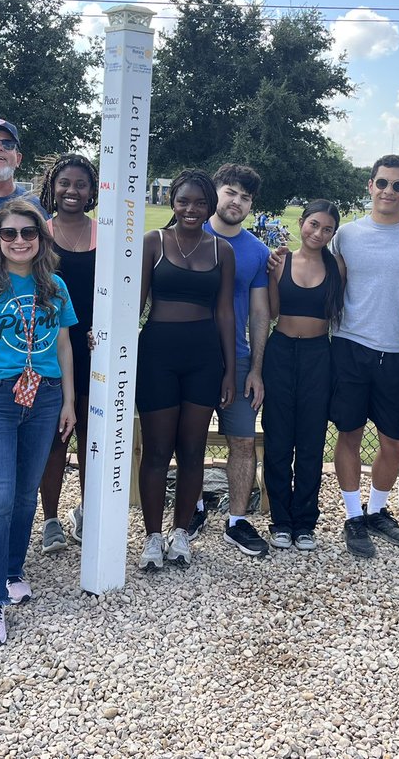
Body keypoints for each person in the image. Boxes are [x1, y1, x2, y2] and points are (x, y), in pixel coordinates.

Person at [0, 200, 77, 645]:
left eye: (29, 233)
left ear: (42, 239)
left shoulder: (54, 286)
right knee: (0, 497)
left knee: (26, 495)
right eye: (10, 234)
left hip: (43, 396)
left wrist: (68, 401)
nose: (20, 241)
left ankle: (10, 570)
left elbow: (63, 347)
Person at [329, 155, 399, 559]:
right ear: (370, 185)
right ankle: (353, 517)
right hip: (349, 348)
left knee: (395, 441)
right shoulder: (347, 236)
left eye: (398, 185)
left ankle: (377, 510)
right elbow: (329, 286)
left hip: (393, 351)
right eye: (382, 183)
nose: (389, 191)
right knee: (349, 433)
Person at [136, 169, 235, 571]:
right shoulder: (152, 242)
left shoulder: (220, 251)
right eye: (183, 201)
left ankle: (181, 534)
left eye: (199, 202)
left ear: (209, 206)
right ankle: (152, 536)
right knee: (158, 449)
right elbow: (135, 304)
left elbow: (225, 312)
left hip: (204, 357)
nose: (191, 209)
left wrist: (229, 370)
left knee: (192, 449)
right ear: (171, 202)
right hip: (158, 352)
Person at [196, 163, 271, 557]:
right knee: (186, 439)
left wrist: (256, 368)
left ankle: (237, 521)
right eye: (231, 192)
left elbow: (260, 314)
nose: (236, 201)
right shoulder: (186, 235)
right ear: (215, 192)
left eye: (245, 197)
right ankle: (190, 511)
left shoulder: (257, 251)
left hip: (237, 360)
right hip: (189, 355)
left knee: (242, 442)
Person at [262, 200, 345, 551]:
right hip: (281, 351)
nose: (318, 233)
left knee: (311, 441)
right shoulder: (280, 261)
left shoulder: (338, 265)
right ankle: (281, 520)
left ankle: (305, 521)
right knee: (278, 439)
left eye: (327, 229)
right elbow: (271, 311)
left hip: (318, 355)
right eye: (313, 225)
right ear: (301, 223)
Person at [36, 153, 99, 553]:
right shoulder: (37, 233)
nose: (71, 191)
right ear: (52, 187)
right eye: (64, 184)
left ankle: (89, 512)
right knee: (55, 438)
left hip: (93, 347)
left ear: (92, 191)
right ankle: (51, 519)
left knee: (92, 437)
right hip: (47, 348)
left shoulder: (106, 234)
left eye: (80, 184)